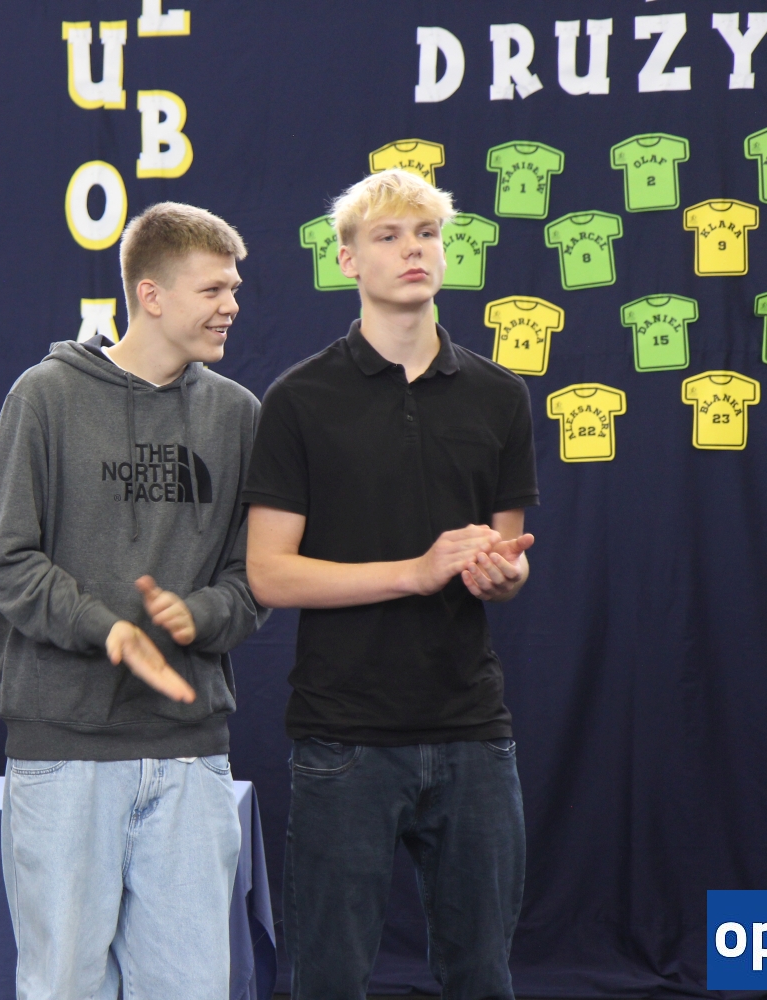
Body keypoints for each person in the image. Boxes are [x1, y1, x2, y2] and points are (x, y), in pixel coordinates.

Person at [243, 169, 539, 1000]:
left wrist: (502, 573)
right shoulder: (299, 399)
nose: (414, 250)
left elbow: (509, 556)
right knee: (329, 979)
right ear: (347, 260)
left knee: (482, 976)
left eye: (427, 234)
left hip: (473, 730)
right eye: (390, 235)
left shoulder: (500, 395)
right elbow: (269, 572)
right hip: (344, 737)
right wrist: (415, 573)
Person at [0, 202, 268, 1000]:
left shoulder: (239, 416)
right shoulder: (44, 397)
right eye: (213, 290)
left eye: (234, 288)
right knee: (63, 987)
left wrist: (199, 615)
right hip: (63, 755)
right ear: (151, 295)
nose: (231, 306)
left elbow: (254, 579)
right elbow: (7, 562)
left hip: (190, 757)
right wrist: (108, 631)